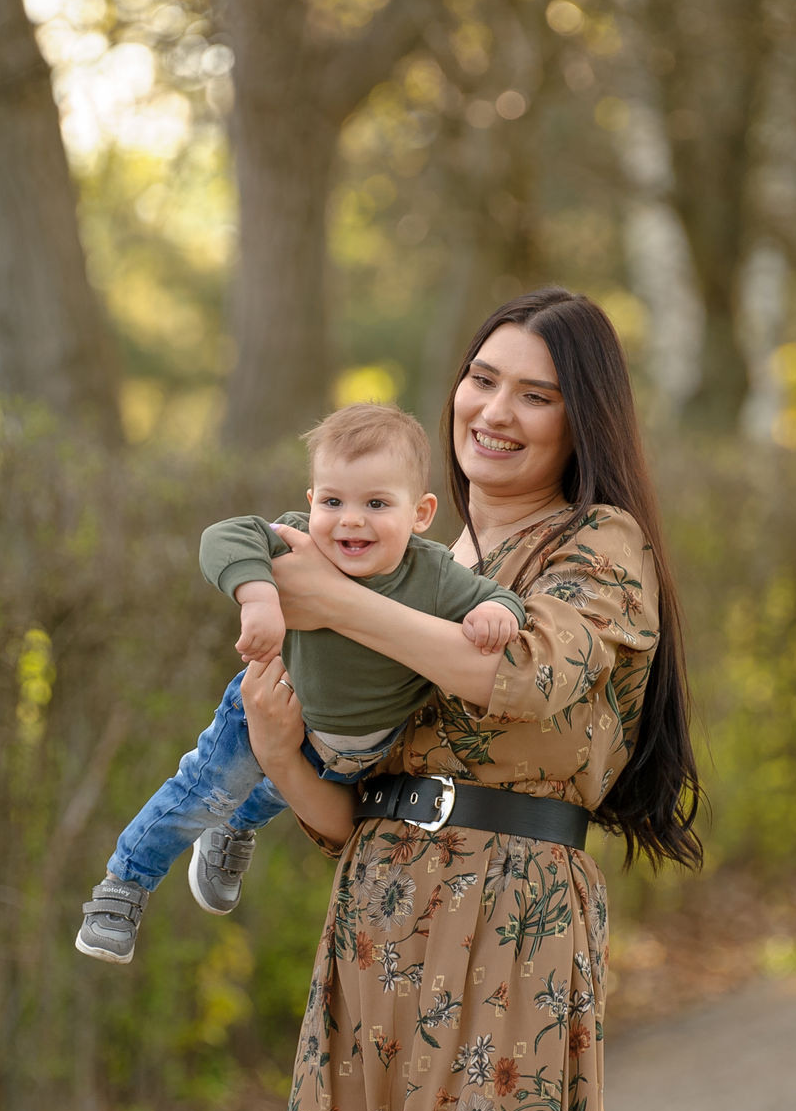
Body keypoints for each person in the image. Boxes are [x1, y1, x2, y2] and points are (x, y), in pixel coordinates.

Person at [242, 287, 703, 1111]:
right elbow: (351, 816)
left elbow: (525, 676)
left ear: (579, 419)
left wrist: (332, 600)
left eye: (533, 395)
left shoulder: (599, 547)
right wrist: (281, 759)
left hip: (510, 927)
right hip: (373, 924)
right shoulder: (415, 565)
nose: (492, 411)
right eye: (481, 379)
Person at [75, 402, 529, 964]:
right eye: (333, 501)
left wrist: (498, 615)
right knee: (204, 793)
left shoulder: (432, 574)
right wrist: (258, 595)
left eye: (377, 503)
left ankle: (234, 829)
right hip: (266, 712)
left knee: (269, 794)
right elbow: (223, 537)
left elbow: (500, 600)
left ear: (421, 513)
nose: (351, 520)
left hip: (354, 751)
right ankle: (123, 888)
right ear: (312, 502)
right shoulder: (296, 541)